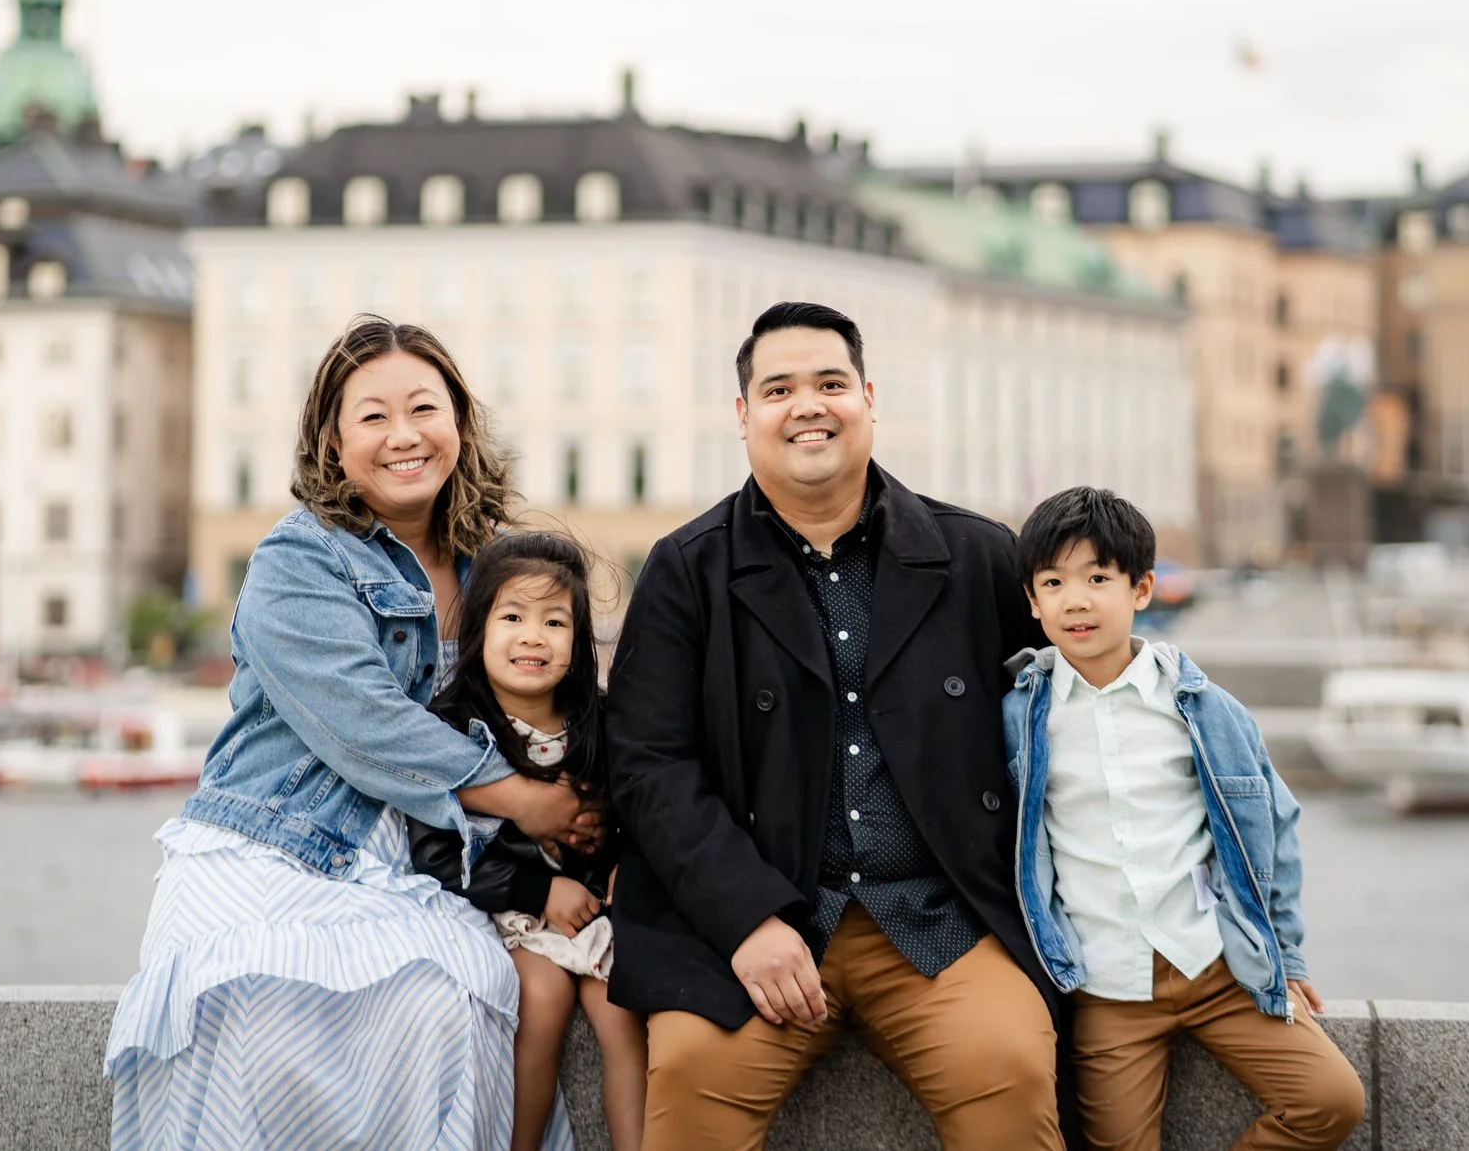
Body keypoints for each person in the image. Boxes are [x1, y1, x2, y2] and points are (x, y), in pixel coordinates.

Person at [105, 316, 595, 1151]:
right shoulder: (295, 562)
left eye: (424, 409)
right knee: (251, 1005)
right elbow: (365, 723)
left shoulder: (495, 568)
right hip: (274, 841)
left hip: (421, 863)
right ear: (332, 443)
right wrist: (524, 799)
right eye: (372, 416)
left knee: (453, 999)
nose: (404, 435)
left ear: (460, 425)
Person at [606, 301, 1062, 1151]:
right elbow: (648, 766)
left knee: (1012, 1067)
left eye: (830, 383)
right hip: (753, 920)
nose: (808, 405)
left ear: (869, 398)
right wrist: (745, 918)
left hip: (943, 917)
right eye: (778, 388)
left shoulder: (977, 557)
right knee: (693, 1082)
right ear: (743, 415)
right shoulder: (684, 569)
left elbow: (1074, 721)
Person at [1003, 486, 1366, 1151]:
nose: (1075, 599)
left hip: (1217, 966)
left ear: (1141, 589)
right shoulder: (1019, 719)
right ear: (1032, 601)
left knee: (1332, 1099)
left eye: (1097, 578)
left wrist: (1282, 950)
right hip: (1107, 987)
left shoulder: (1201, 706)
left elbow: (1274, 823)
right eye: (1053, 582)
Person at [410, 531, 649, 1151]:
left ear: (579, 637)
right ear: (479, 629)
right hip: (505, 905)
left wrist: (619, 856)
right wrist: (542, 889)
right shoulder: (454, 727)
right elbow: (437, 854)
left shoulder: (599, 720)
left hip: (594, 909)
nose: (532, 637)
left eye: (554, 621)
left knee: (624, 1009)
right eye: (512, 616)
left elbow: (638, 809)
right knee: (539, 998)